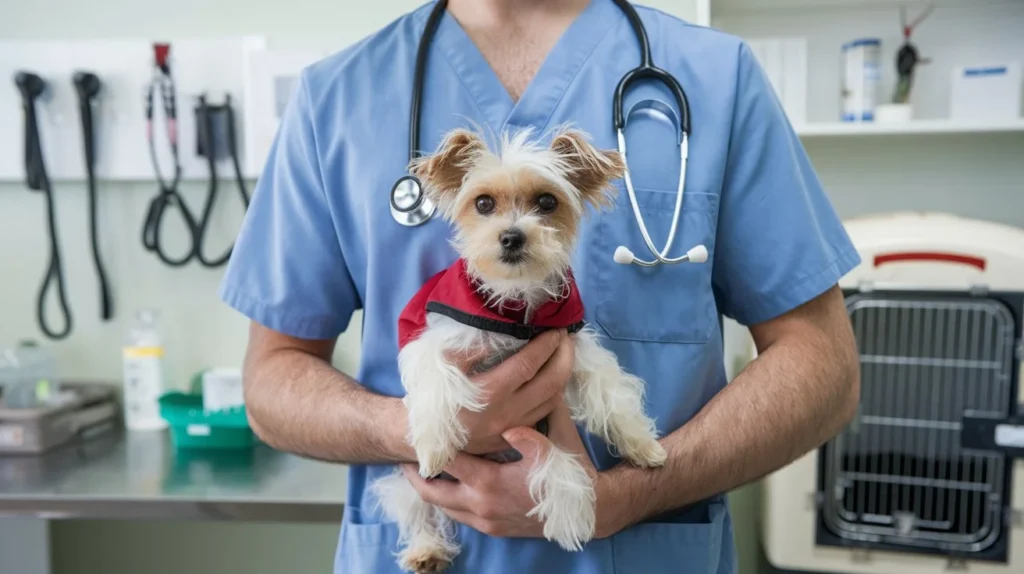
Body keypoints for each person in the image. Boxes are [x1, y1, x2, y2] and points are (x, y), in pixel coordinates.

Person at [217, 0, 862, 572]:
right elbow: (273, 379)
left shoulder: (714, 77)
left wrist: (627, 495)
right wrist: (415, 426)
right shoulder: (337, 97)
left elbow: (825, 367)